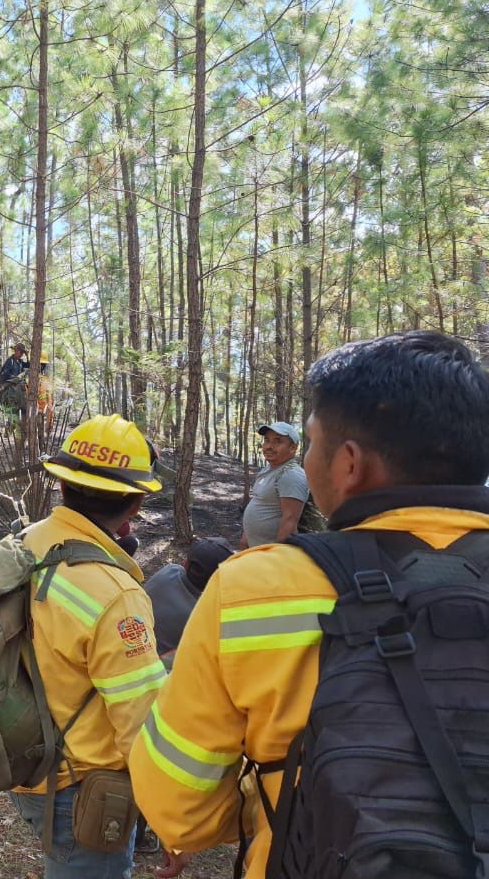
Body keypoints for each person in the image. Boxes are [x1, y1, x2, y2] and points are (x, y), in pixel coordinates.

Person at [129, 330, 489, 878]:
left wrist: (273, 795)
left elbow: (177, 805)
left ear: (348, 463)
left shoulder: (252, 590)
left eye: (314, 442)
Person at [11, 413, 167, 879]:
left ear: (62, 486)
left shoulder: (28, 541)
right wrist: (172, 815)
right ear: (137, 502)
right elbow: (142, 724)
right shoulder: (117, 596)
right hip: (82, 790)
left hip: (26, 760)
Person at [142, 537, 232, 663]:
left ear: (185, 563)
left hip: (135, 652)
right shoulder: (203, 616)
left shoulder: (169, 571)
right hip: (163, 670)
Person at [240, 421, 309, 547]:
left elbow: (289, 522)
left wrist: (276, 558)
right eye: (267, 440)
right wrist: (246, 540)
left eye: (277, 441)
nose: (269, 446)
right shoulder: (268, 470)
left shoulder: (291, 474)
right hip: (255, 550)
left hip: (270, 556)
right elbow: (258, 502)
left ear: (292, 448)